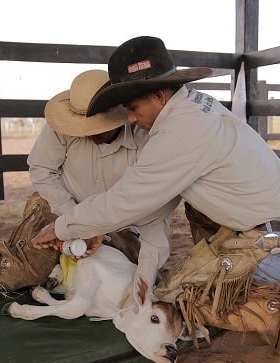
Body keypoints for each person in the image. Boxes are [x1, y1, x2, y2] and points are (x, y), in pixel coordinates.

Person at [32, 37, 280, 363]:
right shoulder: (192, 107)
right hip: (275, 225)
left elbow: (126, 202)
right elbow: (150, 207)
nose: (130, 119)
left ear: (158, 94)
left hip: (275, 241)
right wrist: (142, 273)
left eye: (134, 108)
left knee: (181, 299)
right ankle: (237, 279)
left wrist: (61, 226)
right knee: (166, 288)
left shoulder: (178, 135)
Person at [28, 69, 176, 290]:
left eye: (95, 125)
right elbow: (41, 170)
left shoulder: (147, 140)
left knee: (133, 275)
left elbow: (154, 212)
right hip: (66, 212)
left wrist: (148, 266)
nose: (86, 132)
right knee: (27, 266)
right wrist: (74, 219)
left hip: (125, 225)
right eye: (81, 124)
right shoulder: (60, 128)